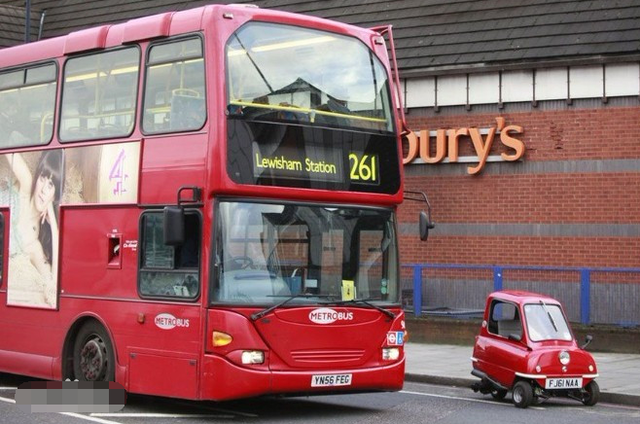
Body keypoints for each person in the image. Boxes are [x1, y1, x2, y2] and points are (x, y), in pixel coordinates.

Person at [5, 150, 64, 307]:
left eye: (51, 185)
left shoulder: (34, 245)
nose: (44, 189)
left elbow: (53, 285)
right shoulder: (25, 184)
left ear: (55, 195)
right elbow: (5, 143)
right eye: (43, 178)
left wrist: (53, 222)